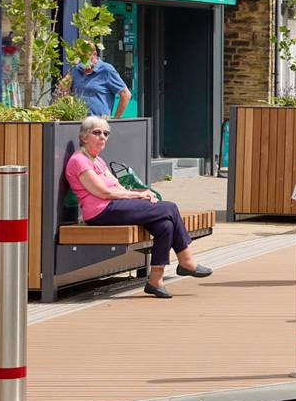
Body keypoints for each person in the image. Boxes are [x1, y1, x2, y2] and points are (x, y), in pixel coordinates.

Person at [64, 115, 211, 298]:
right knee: (169, 208)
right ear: (84, 136)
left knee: (165, 224)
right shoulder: (80, 160)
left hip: (116, 206)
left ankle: (155, 280)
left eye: (106, 133)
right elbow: (104, 193)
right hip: (101, 211)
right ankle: (186, 260)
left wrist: (141, 196)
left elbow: (118, 187)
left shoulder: (97, 160)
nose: (102, 137)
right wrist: (139, 194)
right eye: (97, 133)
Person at [65, 49, 131, 119]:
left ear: (94, 53)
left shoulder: (106, 70)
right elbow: (63, 93)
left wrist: (116, 119)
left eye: (85, 57)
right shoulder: (75, 70)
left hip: (99, 125)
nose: (82, 60)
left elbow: (126, 94)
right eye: (80, 58)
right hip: (78, 123)